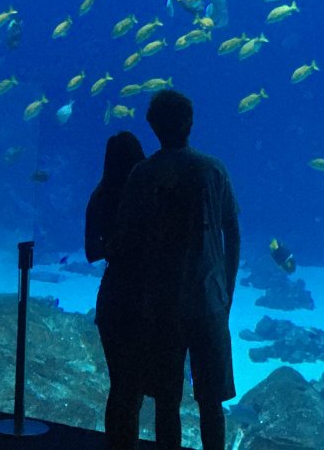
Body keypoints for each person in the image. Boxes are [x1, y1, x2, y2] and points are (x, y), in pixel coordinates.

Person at [112, 90, 240, 450]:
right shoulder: (213, 169)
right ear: (190, 122)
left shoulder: (143, 174)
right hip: (209, 301)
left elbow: (127, 240)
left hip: (160, 305)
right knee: (211, 401)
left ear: (152, 126)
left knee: (166, 400)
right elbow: (233, 231)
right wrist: (227, 288)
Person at [86, 132, 148, 450]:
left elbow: (90, 252)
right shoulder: (145, 195)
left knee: (121, 385)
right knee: (132, 388)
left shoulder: (99, 196)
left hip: (112, 297)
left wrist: (111, 247)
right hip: (139, 299)